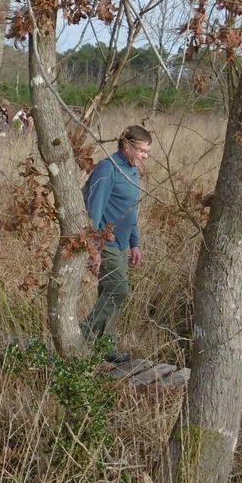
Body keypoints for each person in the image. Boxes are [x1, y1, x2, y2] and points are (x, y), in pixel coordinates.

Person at [81, 126, 151, 364]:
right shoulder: (107, 169)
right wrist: (94, 248)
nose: (145, 156)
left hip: (122, 243)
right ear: (127, 145)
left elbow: (131, 210)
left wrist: (134, 243)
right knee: (119, 289)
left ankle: (106, 347)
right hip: (105, 242)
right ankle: (81, 336)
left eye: (147, 152)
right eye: (141, 150)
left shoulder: (132, 170)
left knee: (109, 293)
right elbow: (93, 211)